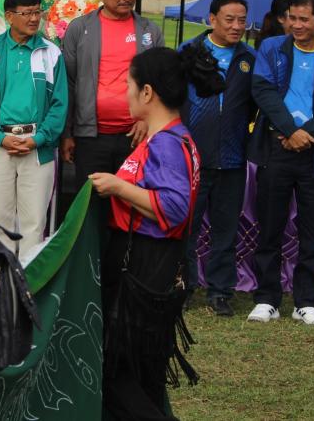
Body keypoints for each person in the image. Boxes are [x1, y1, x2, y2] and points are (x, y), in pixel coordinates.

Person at [89, 46, 218, 421]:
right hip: (148, 264)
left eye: (129, 84)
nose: (125, 92)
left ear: (147, 92)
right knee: (139, 373)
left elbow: (175, 208)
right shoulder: (167, 136)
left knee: (120, 375)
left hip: (145, 266)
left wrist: (117, 187)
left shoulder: (168, 143)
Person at [247, 0, 314, 326]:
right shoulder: (272, 48)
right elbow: (262, 90)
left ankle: (306, 301)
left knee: (312, 229)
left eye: (304, 19)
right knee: (270, 224)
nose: (296, 25)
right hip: (277, 147)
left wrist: (305, 134)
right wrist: (290, 130)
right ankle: (267, 298)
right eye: (292, 18)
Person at [60, 0, 163, 217]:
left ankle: (124, 248)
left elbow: (160, 81)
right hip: (90, 137)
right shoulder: (79, 29)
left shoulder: (149, 31)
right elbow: (69, 83)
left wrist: (147, 120)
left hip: (136, 137)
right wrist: (67, 133)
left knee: (131, 207)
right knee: (90, 207)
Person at [0, 0, 67, 257]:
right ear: (9, 16)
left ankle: (30, 280)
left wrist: (38, 139)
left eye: (37, 12)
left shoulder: (51, 52)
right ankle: (1, 280)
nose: (34, 19)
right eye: (26, 13)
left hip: (37, 147)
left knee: (34, 225)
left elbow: (60, 104)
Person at [180, 0, 255, 317]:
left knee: (226, 229)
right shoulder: (188, 52)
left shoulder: (250, 58)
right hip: (192, 158)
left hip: (233, 157)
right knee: (187, 227)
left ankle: (220, 291)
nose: (237, 26)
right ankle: (182, 287)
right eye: (229, 20)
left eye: (242, 20)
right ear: (212, 20)